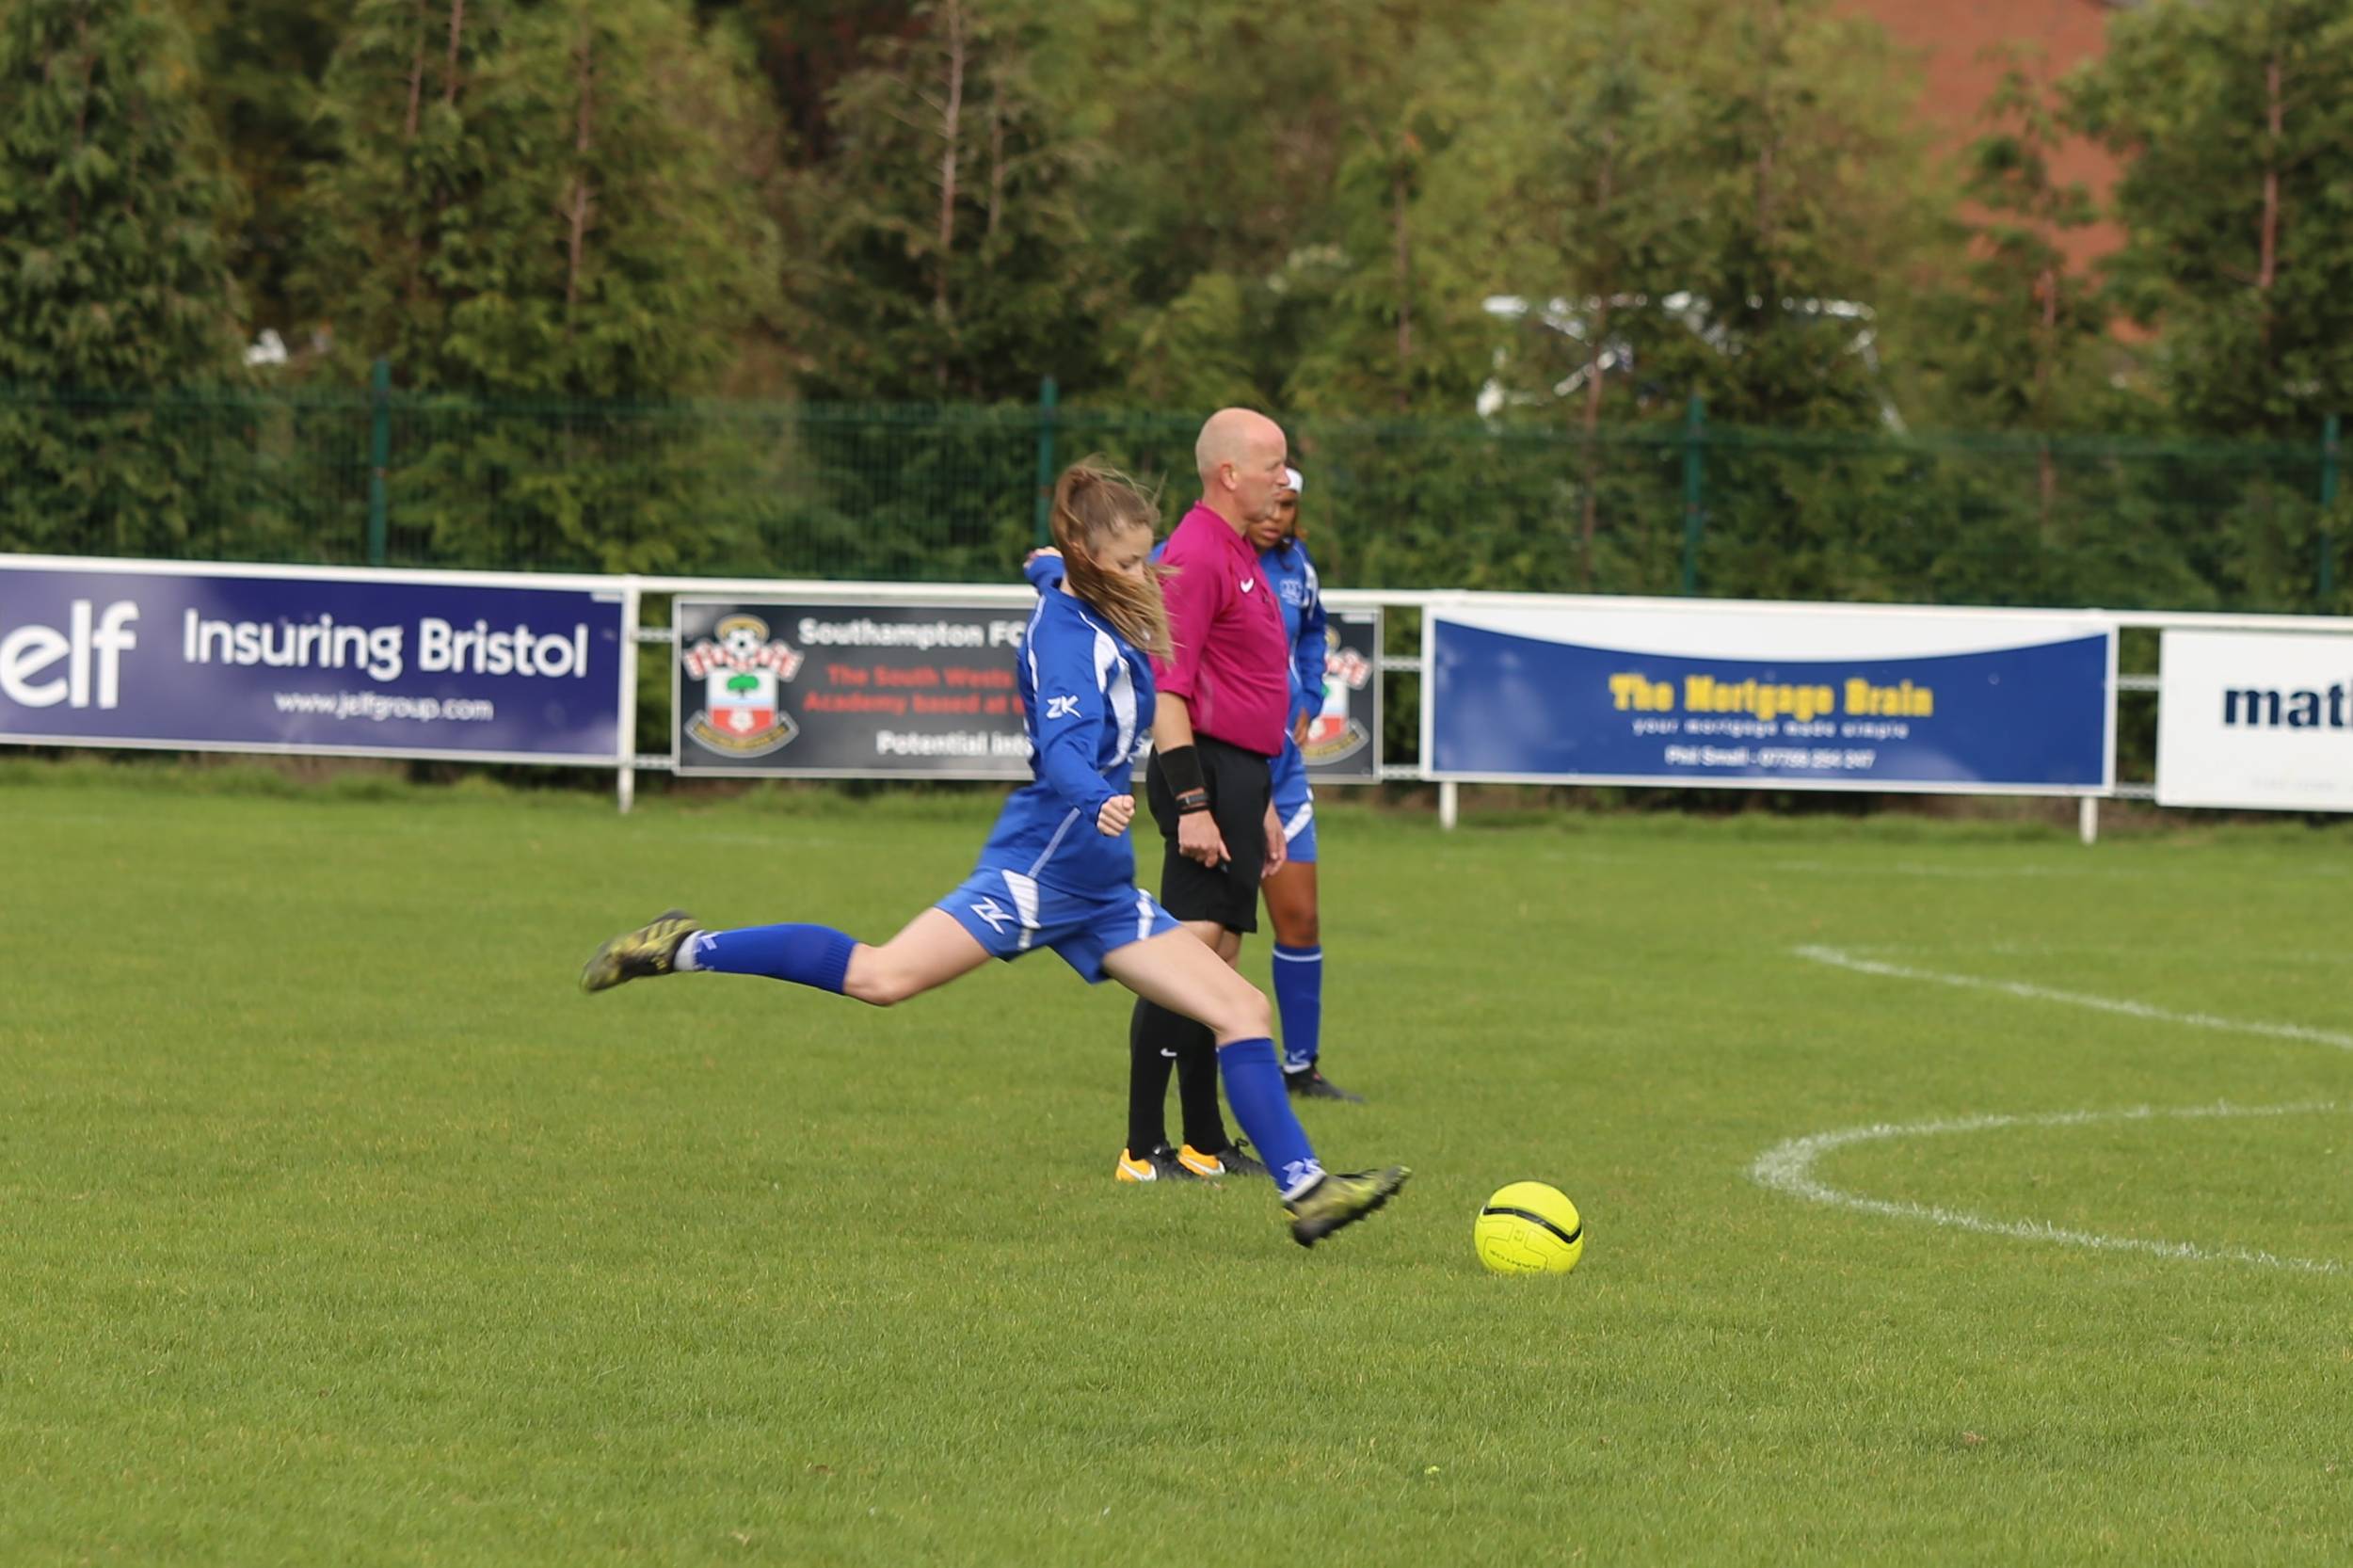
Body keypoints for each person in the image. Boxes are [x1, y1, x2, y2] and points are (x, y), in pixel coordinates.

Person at [579, 458, 1406, 1248]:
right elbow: (1060, 747)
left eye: (1147, 553)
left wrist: (1044, 568)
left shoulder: (1085, 593)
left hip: (1103, 889)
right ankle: (681, 948)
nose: (1147, 572)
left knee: (1239, 1010)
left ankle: (1309, 1190)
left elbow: (1058, 584)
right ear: (1091, 559)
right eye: (1128, 560)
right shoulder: (1066, 640)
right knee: (881, 977)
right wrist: (1097, 796)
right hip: (1040, 868)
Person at [1251, 467, 1362, 1101]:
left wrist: (1311, 692)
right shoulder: (1195, 557)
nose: (1276, 515)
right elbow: (1119, 580)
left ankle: (1300, 1068)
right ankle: (1207, 1062)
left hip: (1284, 772)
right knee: (1214, 936)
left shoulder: (1299, 567)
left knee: (1301, 918)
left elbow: (1315, 630)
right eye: (1268, 502)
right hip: (1223, 771)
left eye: (1288, 504)